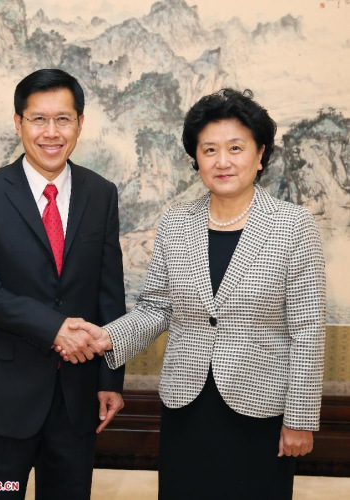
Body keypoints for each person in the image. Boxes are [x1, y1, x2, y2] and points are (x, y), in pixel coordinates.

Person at [58, 89, 326, 500]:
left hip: (263, 408)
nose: (223, 161)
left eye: (236, 148)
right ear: (196, 159)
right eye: (210, 149)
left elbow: (308, 329)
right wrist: (107, 336)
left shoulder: (293, 225)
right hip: (187, 404)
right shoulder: (177, 222)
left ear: (260, 155)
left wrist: (300, 418)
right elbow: (157, 307)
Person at [0, 68, 126, 499]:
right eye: (38, 119)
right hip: (3, 400)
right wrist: (54, 329)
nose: (52, 132)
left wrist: (110, 380)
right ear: (18, 123)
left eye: (63, 119)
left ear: (80, 123)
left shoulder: (100, 193)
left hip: (78, 397)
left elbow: (110, 292)